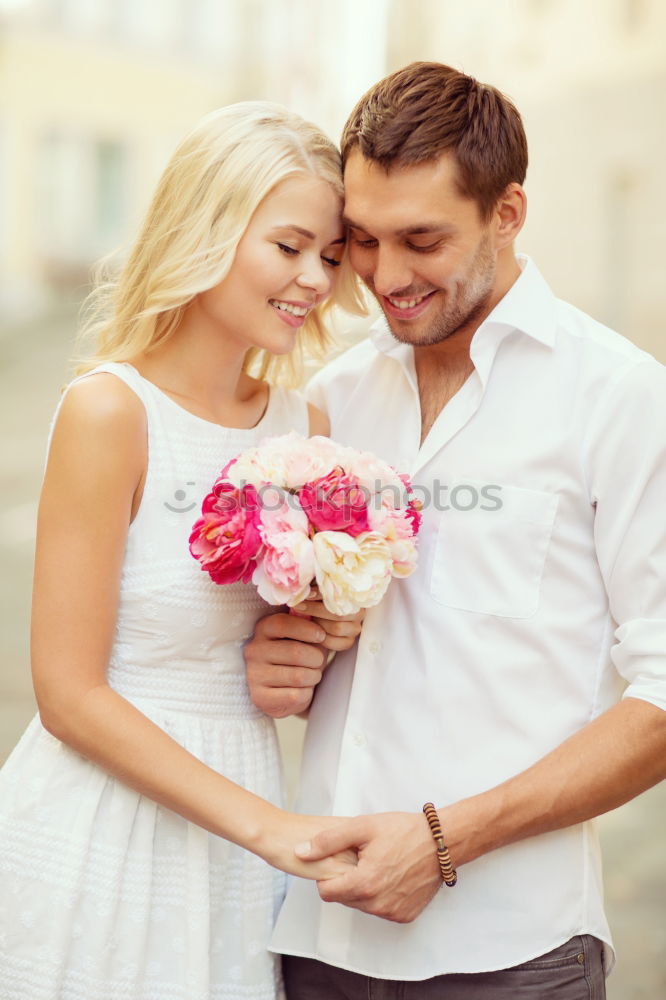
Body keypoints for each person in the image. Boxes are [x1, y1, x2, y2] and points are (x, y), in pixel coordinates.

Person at [246, 63, 666, 998]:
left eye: (422, 239)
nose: (385, 277)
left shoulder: (618, 397)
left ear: (508, 212)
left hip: (513, 954)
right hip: (316, 938)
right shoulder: (330, 400)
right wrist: (284, 653)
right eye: (361, 240)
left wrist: (443, 842)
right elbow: (317, 637)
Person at [0, 101, 366, 1000]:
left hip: (237, 840)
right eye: (289, 247)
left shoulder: (306, 425)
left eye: (329, 255)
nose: (315, 279)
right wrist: (267, 828)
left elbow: (291, 643)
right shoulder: (109, 412)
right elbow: (68, 694)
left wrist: (317, 643)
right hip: (104, 826)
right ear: (208, 229)